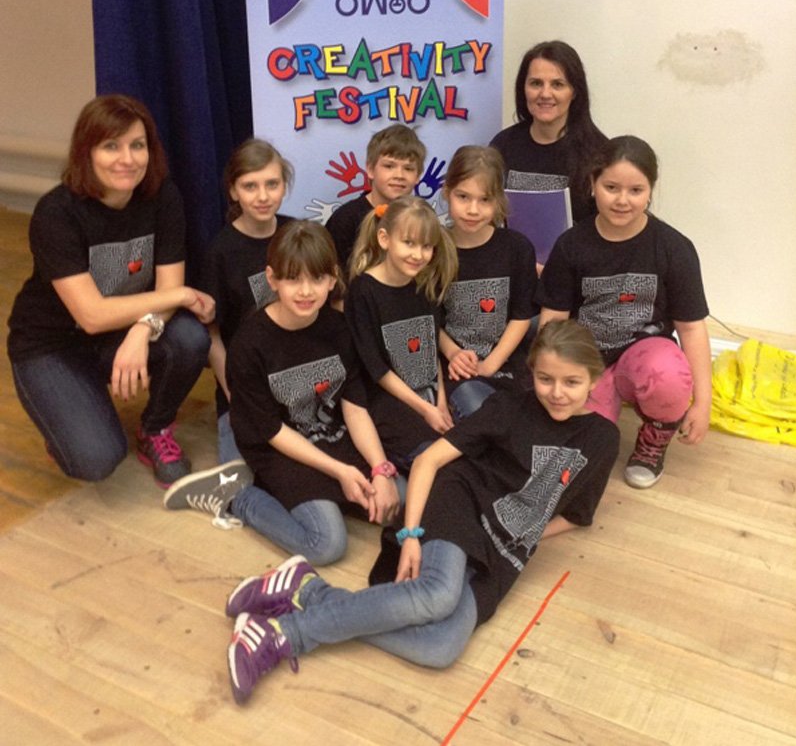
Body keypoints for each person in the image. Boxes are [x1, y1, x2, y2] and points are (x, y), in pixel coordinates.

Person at [224, 319, 620, 703]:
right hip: (458, 501)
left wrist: (520, 535)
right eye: (545, 379)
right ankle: (283, 635)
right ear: (532, 373)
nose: (557, 392)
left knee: (440, 646)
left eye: (572, 382)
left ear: (595, 379)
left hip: (502, 550)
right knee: (437, 595)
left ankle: (307, 591)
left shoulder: (603, 439)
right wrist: (412, 534)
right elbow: (430, 461)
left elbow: (575, 516)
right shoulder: (509, 406)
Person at [6, 94, 214, 487]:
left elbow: (168, 288)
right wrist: (181, 296)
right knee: (96, 459)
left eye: (138, 145)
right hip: (52, 346)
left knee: (189, 338)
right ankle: (65, 413)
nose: (127, 159)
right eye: (111, 146)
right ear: (86, 152)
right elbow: (92, 315)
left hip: (119, 332)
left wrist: (143, 329)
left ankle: (154, 429)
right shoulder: (56, 213)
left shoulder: (163, 197)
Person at [168, 220, 400, 564]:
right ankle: (236, 497)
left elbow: (354, 406)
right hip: (277, 446)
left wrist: (380, 470)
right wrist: (339, 471)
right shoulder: (250, 345)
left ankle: (333, 496)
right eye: (293, 279)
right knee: (326, 543)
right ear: (272, 279)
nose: (306, 291)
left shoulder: (339, 329)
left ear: (332, 279)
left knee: (399, 499)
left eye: (316, 279)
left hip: (327, 434)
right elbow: (272, 431)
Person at [537, 135, 712, 489]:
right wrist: (547, 382)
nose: (622, 200)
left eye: (635, 190)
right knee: (578, 459)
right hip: (587, 361)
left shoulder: (674, 248)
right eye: (611, 187)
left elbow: (692, 328)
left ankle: (653, 442)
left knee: (667, 375)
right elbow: (553, 320)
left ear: (650, 191)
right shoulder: (571, 245)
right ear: (593, 184)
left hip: (644, 355)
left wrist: (703, 402)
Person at [162, 139, 296, 527]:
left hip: (295, 381)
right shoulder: (221, 251)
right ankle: (219, 493)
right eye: (250, 186)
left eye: (272, 184)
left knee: (292, 474)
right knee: (245, 477)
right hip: (246, 386)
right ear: (234, 191)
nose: (262, 196)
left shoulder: (295, 233)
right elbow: (213, 337)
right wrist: (237, 396)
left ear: (284, 185)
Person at [345, 196, 458, 468]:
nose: (418, 255)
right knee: (438, 462)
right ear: (384, 239)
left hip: (430, 397)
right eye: (408, 243)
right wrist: (425, 410)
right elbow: (376, 368)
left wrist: (441, 403)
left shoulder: (424, 286)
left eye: (426, 246)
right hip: (391, 403)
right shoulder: (363, 291)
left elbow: (431, 352)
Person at [438, 145, 538, 419]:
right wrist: (453, 353)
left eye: (485, 200)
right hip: (458, 368)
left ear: (499, 201)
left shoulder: (517, 248)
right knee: (484, 418)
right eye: (463, 197)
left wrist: (492, 363)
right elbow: (428, 318)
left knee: (532, 418)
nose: (473, 210)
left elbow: (522, 315)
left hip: (507, 361)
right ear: (447, 192)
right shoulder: (434, 249)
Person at [490, 40, 607, 224]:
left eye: (557, 84)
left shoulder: (600, 153)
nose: (545, 94)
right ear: (523, 88)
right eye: (536, 83)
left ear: (574, 92)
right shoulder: (502, 145)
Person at [325, 123, 426, 274]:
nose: (399, 175)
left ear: (418, 176)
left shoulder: (423, 218)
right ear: (370, 169)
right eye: (389, 166)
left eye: (408, 168)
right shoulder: (345, 220)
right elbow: (330, 277)